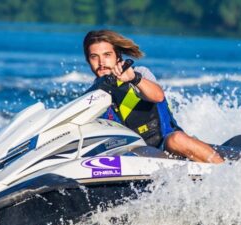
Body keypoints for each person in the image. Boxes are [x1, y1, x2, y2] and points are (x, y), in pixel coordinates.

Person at [83, 30, 223, 163]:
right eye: (94, 57)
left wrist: (134, 79)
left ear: (117, 56)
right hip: (131, 153)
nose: (101, 62)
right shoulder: (91, 96)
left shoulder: (139, 73)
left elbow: (158, 96)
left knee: (176, 139)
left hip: (166, 143)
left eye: (107, 55)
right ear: (88, 60)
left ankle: (226, 173)